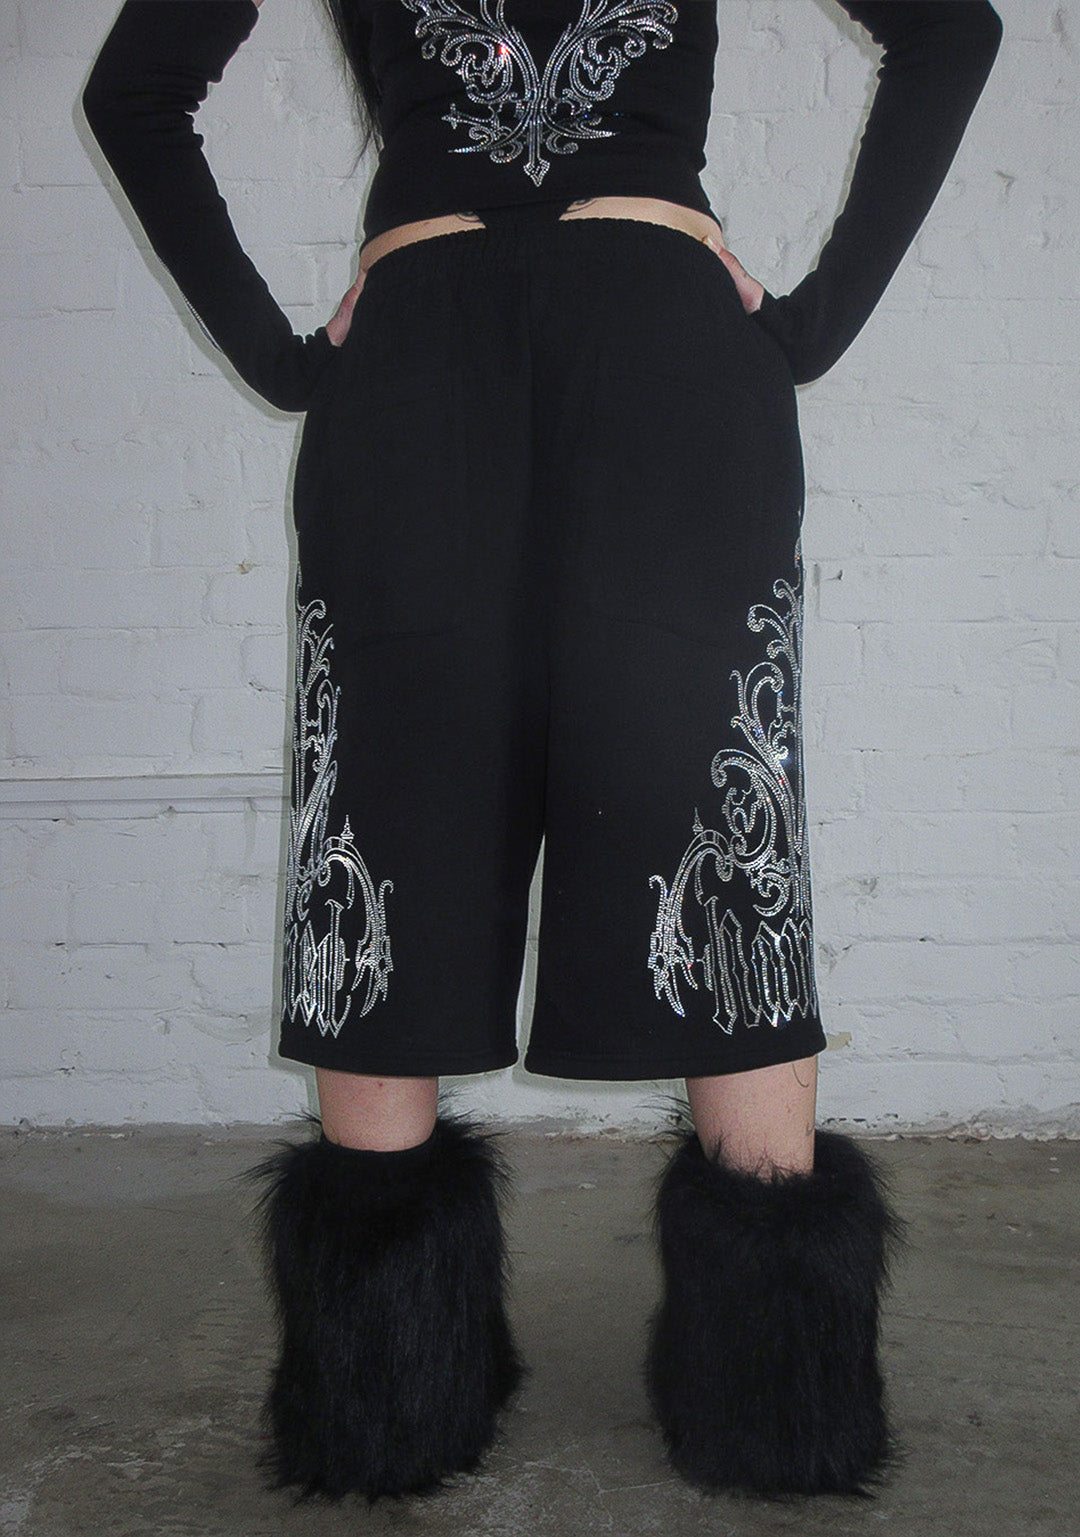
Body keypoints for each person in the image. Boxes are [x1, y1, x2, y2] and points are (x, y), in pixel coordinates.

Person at [82, 0, 1003, 1505]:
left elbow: (138, 90)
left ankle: (388, 1404)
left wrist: (283, 355)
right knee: (694, 829)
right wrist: (809, 322)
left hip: (427, 365)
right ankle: (774, 1408)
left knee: (416, 828)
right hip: (654, 353)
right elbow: (951, 30)